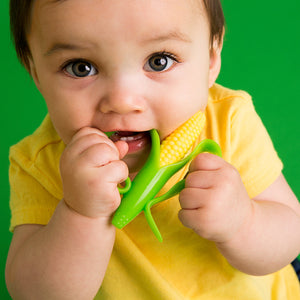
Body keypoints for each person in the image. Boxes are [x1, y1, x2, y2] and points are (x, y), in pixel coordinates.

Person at [5, 0, 300, 299]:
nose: (122, 100)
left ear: (211, 58)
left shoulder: (228, 121)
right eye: (81, 68)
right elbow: (35, 293)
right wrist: (79, 214)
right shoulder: (38, 162)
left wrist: (243, 222)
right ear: (36, 73)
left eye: (159, 60)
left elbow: (292, 234)